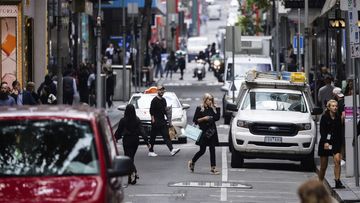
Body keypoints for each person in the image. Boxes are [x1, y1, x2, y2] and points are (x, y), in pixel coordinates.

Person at [115, 104, 150, 185]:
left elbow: (119, 131)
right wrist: (147, 142)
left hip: (127, 140)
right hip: (135, 140)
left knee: (128, 158)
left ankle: (134, 172)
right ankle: (130, 178)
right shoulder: (137, 120)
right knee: (131, 158)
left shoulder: (123, 120)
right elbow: (142, 131)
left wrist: (116, 138)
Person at [188, 93, 221, 175]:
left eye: (211, 100)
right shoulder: (200, 108)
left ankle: (213, 168)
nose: (210, 101)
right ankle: (192, 161)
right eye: (209, 100)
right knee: (202, 150)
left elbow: (216, 118)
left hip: (212, 132)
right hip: (203, 132)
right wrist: (204, 118)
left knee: (212, 149)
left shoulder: (212, 108)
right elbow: (195, 120)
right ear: (205, 100)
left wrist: (217, 109)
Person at [318, 99, 345, 189]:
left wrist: (341, 145)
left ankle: (337, 181)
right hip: (326, 143)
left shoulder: (338, 117)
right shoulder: (324, 117)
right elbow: (322, 131)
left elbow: (340, 131)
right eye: (333, 106)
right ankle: (320, 183)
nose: (335, 108)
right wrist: (325, 141)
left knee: (337, 161)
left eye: (336, 106)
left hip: (335, 142)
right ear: (328, 107)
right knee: (323, 166)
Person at [148, 85, 180, 157]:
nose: (161, 92)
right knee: (153, 137)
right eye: (160, 90)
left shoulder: (164, 100)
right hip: (156, 121)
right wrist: (153, 119)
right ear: (157, 91)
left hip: (162, 121)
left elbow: (165, 110)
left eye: (162, 90)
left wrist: (169, 119)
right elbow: (151, 111)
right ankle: (150, 151)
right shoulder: (154, 100)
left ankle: (171, 150)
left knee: (166, 135)